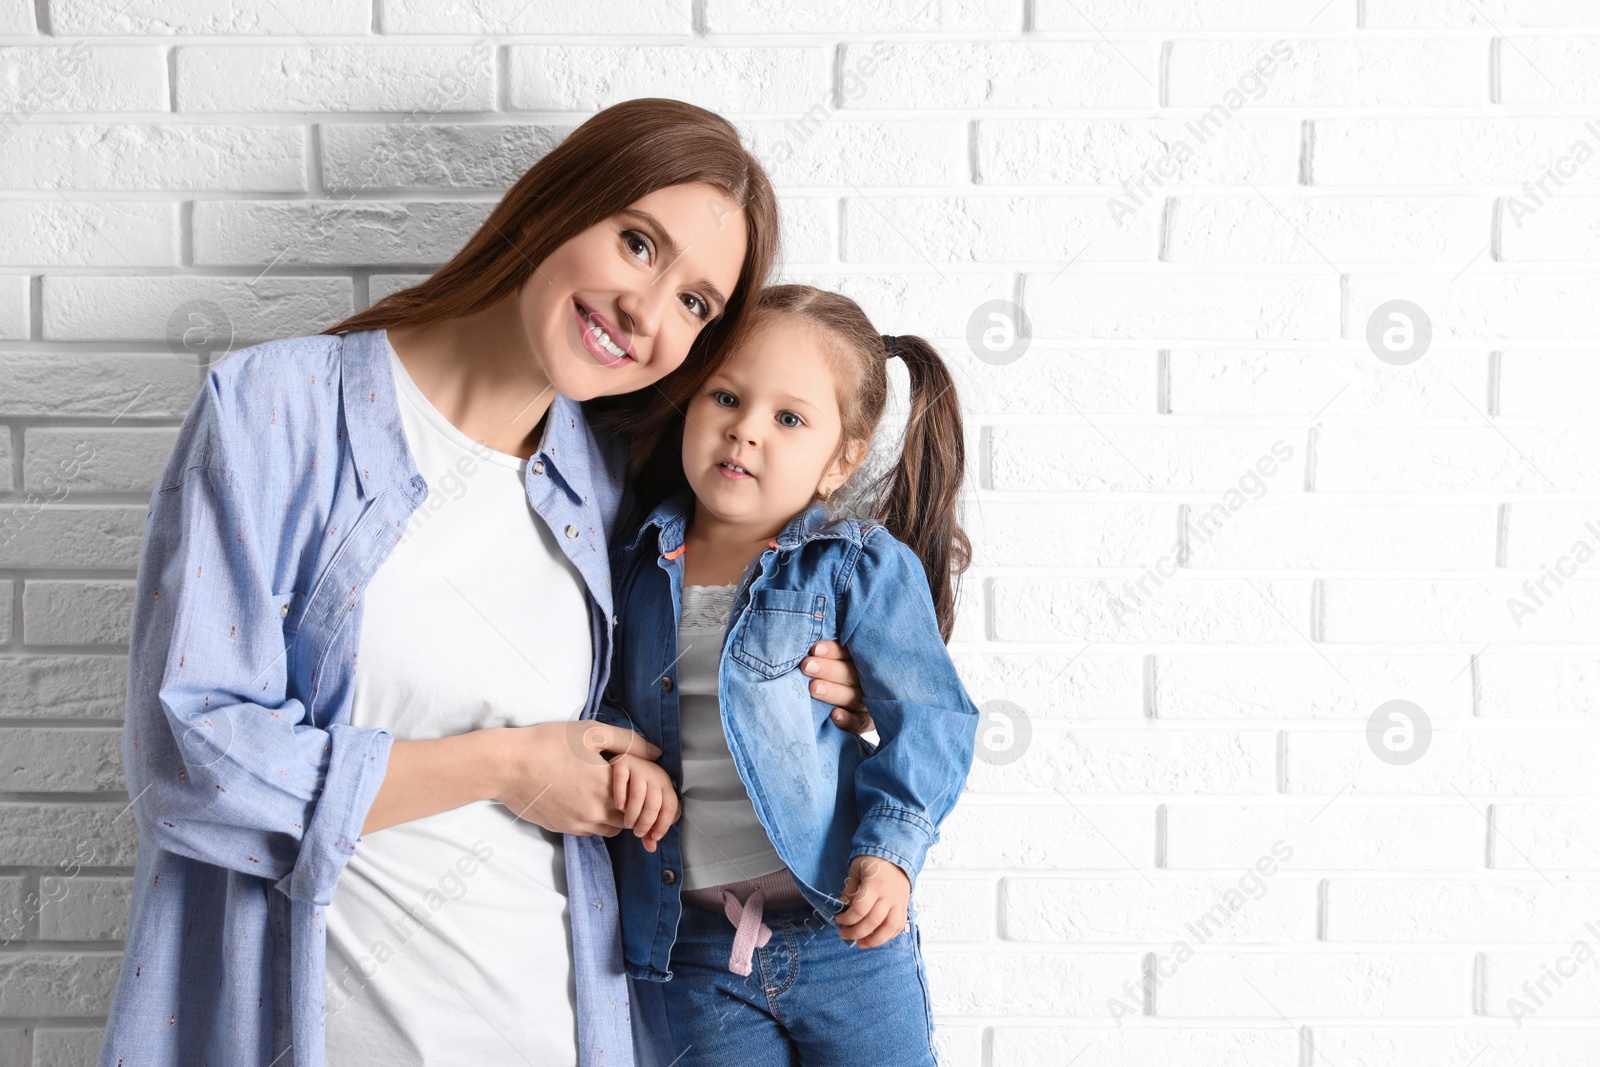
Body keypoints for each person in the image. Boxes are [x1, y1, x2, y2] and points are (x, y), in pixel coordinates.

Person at [99, 101, 877, 1067]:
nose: (646, 311)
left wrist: (816, 679)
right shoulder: (277, 414)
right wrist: (507, 765)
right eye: (638, 243)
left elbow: (660, 755)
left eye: (694, 303)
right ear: (557, 204)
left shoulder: (608, 494)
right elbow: (191, 761)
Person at [597, 284, 982, 1065]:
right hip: (696, 950)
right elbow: (611, 699)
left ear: (839, 461)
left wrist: (892, 850)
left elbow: (932, 715)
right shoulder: (636, 560)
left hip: (844, 937)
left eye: (789, 418)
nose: (745, 430)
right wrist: (624, 758)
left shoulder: (852, 567)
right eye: (728, 397)